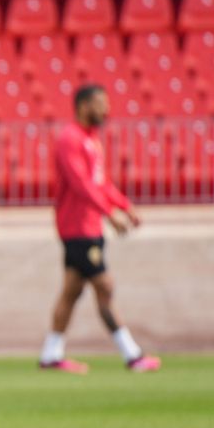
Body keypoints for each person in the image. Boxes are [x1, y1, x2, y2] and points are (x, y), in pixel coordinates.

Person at [39, 85, 161, 374]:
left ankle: (51, 354)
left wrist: (125, 206)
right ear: (82, 106)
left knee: (71, 291)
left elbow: (100, 182)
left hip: (89, 226)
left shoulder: (91, 140)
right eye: (100, 103)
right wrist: (110, 214)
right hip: (77, 227)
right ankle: (132, 355)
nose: (106, 109)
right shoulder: (70, 140)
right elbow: (81, 184)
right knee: (104, 285)